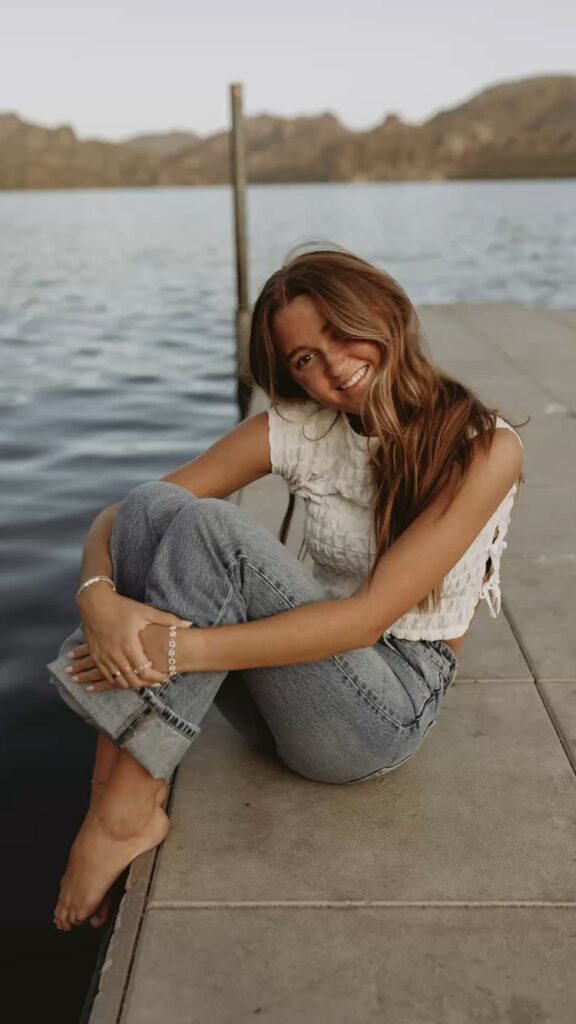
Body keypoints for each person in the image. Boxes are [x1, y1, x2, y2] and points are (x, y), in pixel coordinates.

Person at [47, 244, 527, 932]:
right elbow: (125, 516)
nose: (332, 365)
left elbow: (364, 622)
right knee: (157, 506)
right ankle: (114, 805)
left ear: (385, 312)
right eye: (304, 358)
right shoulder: (305, 428)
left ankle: (120, 814)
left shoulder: (483, 447)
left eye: (339, 332)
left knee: (213, 533)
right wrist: (96, 598)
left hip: (380, 715)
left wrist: (170, 653)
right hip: (293, 691)